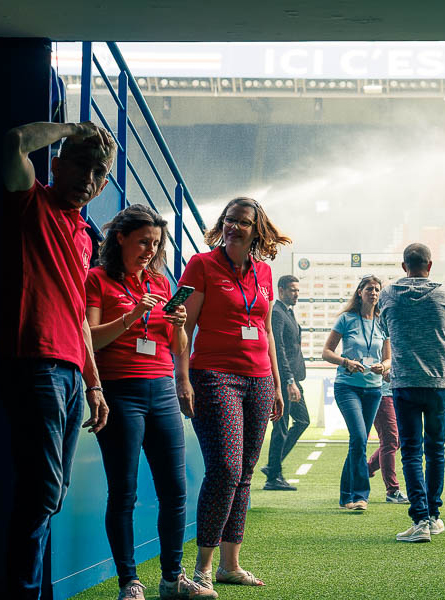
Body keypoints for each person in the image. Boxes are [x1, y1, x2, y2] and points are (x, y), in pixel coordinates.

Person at [1, 121, 113, 599]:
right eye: (80, 165)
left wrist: (95, 385)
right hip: (36, 362)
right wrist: (71, 126)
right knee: (42, 493)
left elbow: (80, 318)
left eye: (98, 172)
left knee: (53, 495)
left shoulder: (86, 236)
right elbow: (11, 144)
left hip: (70, 373)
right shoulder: (33, 203)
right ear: (57, 164)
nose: (88, 178)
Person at [86, 205, 216, 600]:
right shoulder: (97, 279)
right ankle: (130, 583)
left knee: (175, 489)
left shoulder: (160, 283)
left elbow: (176, 345)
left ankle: (172, 579)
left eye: (156, 243)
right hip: (119, 391)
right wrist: (129, 318)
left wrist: (178, 328)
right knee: (123, 492)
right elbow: (89, 338)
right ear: (120, 238)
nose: (149, 249)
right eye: (143, 241)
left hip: (160, 389)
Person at [175, 197, 290, 592]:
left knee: (244, 472)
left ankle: (230, 564)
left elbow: (268, 330)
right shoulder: (201, 265)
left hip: (258, 378)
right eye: (229, 220)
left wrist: (275, 382)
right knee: (224, 468)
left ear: (256, 230)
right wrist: (183, 378)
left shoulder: (264, 271)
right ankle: (203, 569)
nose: (234, 227)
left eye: (242, 222)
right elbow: (184, 326)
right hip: (213, 375)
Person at [378, 243, 445, 543]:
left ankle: (421, 518)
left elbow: (383, 326)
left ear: (404, 267)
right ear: (430, 265)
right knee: (435, 450)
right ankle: (435, 516)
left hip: (404, 382)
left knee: (411, 452)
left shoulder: (388, 293)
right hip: (439, 381)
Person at [322, 275, 391, 510]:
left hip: (374, 390)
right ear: (360, 292)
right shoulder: (346, 319)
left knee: (357, 442)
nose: (374, 293)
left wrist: (385, 366)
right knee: (360, 438)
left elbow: (388, 358)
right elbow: (326, 352)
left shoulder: (383, 322)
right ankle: (361, 495)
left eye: (377, 290)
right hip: (347, 387)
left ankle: (345, 495)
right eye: (369, 289)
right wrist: (346, 362)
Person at [262, 275, 309, 491]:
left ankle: (273, 466)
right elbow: (278, 349)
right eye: (292, 290)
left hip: (292, 378)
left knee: (302, 420)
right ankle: (273, 477)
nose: (296, 294)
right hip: (283, 379)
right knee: (280, 426)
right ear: (280, 291)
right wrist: (289, 381)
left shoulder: (287, 312)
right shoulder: (278, 313)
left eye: (298, 290)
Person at [368, 373, 409, 504]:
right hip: (382, 393)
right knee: (390, 441)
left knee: (397, 441)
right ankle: (392, 490)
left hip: (396, 391)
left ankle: (363, 471)